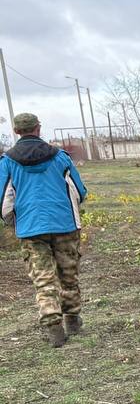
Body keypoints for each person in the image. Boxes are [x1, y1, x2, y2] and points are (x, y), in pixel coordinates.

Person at [0, 113, 88, 348]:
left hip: (31, 228)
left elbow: (4, 202)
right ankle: (73, 321)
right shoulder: (60, 157)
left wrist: (14, 222)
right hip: (65, 224)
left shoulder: (7, 162)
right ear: (38, 129)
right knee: (68, 274)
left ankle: (54, 330)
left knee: (43, 278)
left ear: (17, 131)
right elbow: (79, 191)